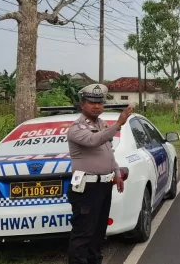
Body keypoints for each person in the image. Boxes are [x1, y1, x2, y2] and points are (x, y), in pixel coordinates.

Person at [66, 84, 133, 264]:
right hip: (86, 188)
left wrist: (116, 172)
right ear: (82, 104)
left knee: (98, 233)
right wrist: (118, 124)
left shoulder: (102, 125)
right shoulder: (76, 128)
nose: (96, 106)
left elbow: (109, 152)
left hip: (103, 186)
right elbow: (93, 141)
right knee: (83, 234)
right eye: (91, 102)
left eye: (100, 102)